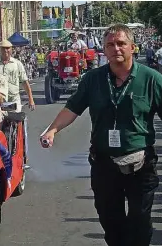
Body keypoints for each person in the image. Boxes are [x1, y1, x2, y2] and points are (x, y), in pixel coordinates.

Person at [40, 24, 162, 246]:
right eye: (110, 45)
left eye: (121, 43)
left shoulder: (151, 79)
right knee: (111, 223)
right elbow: (72, 108)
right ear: (103, 51)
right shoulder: (92, 79)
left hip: (140, 165)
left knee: (140, 223)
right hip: (104, 165)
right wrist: (52, 130)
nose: (116, 48)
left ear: (133, 47)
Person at [0, 40, 35, 112]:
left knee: (17, 120)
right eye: (3, 48)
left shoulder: (17, 64)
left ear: (11, 49)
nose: (5, 50)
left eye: (7, 48)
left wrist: (31, 99)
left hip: (14, 99)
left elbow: (24, 82)